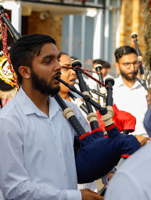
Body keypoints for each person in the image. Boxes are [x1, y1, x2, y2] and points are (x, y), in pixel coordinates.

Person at [0, 34, 103, 200]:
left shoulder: (70, 111)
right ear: (25, 71)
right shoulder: (7, 122)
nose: (58, 67)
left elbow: (89, 154)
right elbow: (15, 190)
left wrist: (109, 168)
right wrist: (74, 197)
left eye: (57, 59)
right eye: (48, 61)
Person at [58, 52, 98, 192]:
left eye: (73, 68)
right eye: (66, 68)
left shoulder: (82, 100)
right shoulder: (47, 105)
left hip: (89, 183)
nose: (73, 73)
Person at [113, 46, 149, 139]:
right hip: (121, 145)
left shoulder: (147, 89)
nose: (132, 68)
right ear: (117, 66)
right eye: (127, 64)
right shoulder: (111, 90)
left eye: (135, 63)